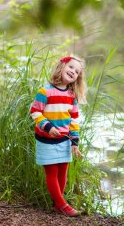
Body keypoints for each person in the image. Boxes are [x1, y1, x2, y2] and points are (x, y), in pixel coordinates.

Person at [30, 55, 87, 217]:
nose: (73, 72)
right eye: (71, 67)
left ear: (76, 78)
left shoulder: (71, 96)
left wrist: (75, 142)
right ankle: (63, 205)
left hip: (64, 140)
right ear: (61, 67)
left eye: (76, 72)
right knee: (52, 173)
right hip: (46, 140)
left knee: (63, 172)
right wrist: (47, 127)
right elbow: (35, 111)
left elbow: (74, 120)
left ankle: (58, 204)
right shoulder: (45, 91)